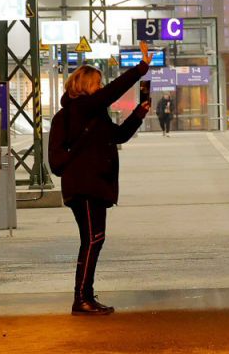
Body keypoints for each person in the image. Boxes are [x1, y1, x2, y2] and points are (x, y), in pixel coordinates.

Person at [48, 41, 152, 315]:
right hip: (84, 185)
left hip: (93, 185)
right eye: (97, 83)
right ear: (84, 86)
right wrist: (140, 69)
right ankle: (81, 298)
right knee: (93, 239)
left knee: (94, 239)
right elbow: (111, 92)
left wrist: (138, 114)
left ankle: (85, 295)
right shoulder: (79, 109)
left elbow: (118, 136)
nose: (101, 87)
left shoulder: (93, 113)